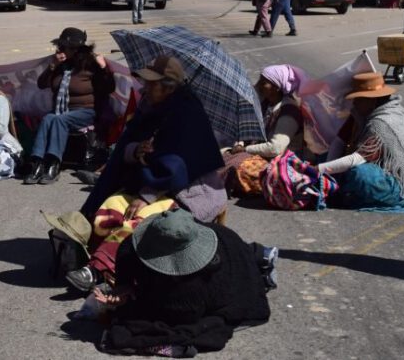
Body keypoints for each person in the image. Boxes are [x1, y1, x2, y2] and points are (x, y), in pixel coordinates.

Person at [95, 210, 272, 356]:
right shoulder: (131, 248)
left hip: (229, 262)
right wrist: (123, 286)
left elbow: (181, 317)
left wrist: (129, 304)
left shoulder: (195, 288)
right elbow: (126, 258)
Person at [81, 55, 225, 220]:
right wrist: (136, 150)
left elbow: (176, 167)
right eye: (145, 82)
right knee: (108, 200)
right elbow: (126, 144)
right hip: (149, 178)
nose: (145, 88)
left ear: (169, 88)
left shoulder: (187, 114)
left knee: (131, 219)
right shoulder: (152, 106)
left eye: (152, 84)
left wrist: (146, 197)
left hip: (190, 191)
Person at [63, 154, 189, 292]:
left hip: (173, 197)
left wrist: (148, 197)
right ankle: (92, 256)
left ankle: (101, 270)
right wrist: (137, 150)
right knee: (111, 207)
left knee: (135, 224)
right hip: (143, 187)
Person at [318, 73, 404, 211]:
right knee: (325, 158)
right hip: (388, 174)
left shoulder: (382, 123)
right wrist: (325, 172)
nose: (354, 103)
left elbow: (358, 159)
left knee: (360, 174)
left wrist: (318, 170)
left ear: (371, 100)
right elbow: (339, 141)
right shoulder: (363, 115)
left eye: (359, 98)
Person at [24, 27, 115, 185]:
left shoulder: (90, 64)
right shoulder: (60, 65)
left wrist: (103, 68)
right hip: (62, 111)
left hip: (85, 111)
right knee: (48, 118)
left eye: (69, 48)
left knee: (59, 120)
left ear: (78, 49)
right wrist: (52, 66)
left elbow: (109, 87)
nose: (65, 50)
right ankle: (37, 162)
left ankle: (54, 163)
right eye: (64, 47)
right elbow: (42, 84)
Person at [230, 65, 326, 162]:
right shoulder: (266, 102)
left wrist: (245, 149)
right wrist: (240, 143)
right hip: (262, 153)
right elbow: (249, 126)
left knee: (233, 166)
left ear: (277, 87)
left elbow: (275, 148)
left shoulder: (289, 112)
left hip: (282, 162)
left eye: (263, 83)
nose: (258, 85)